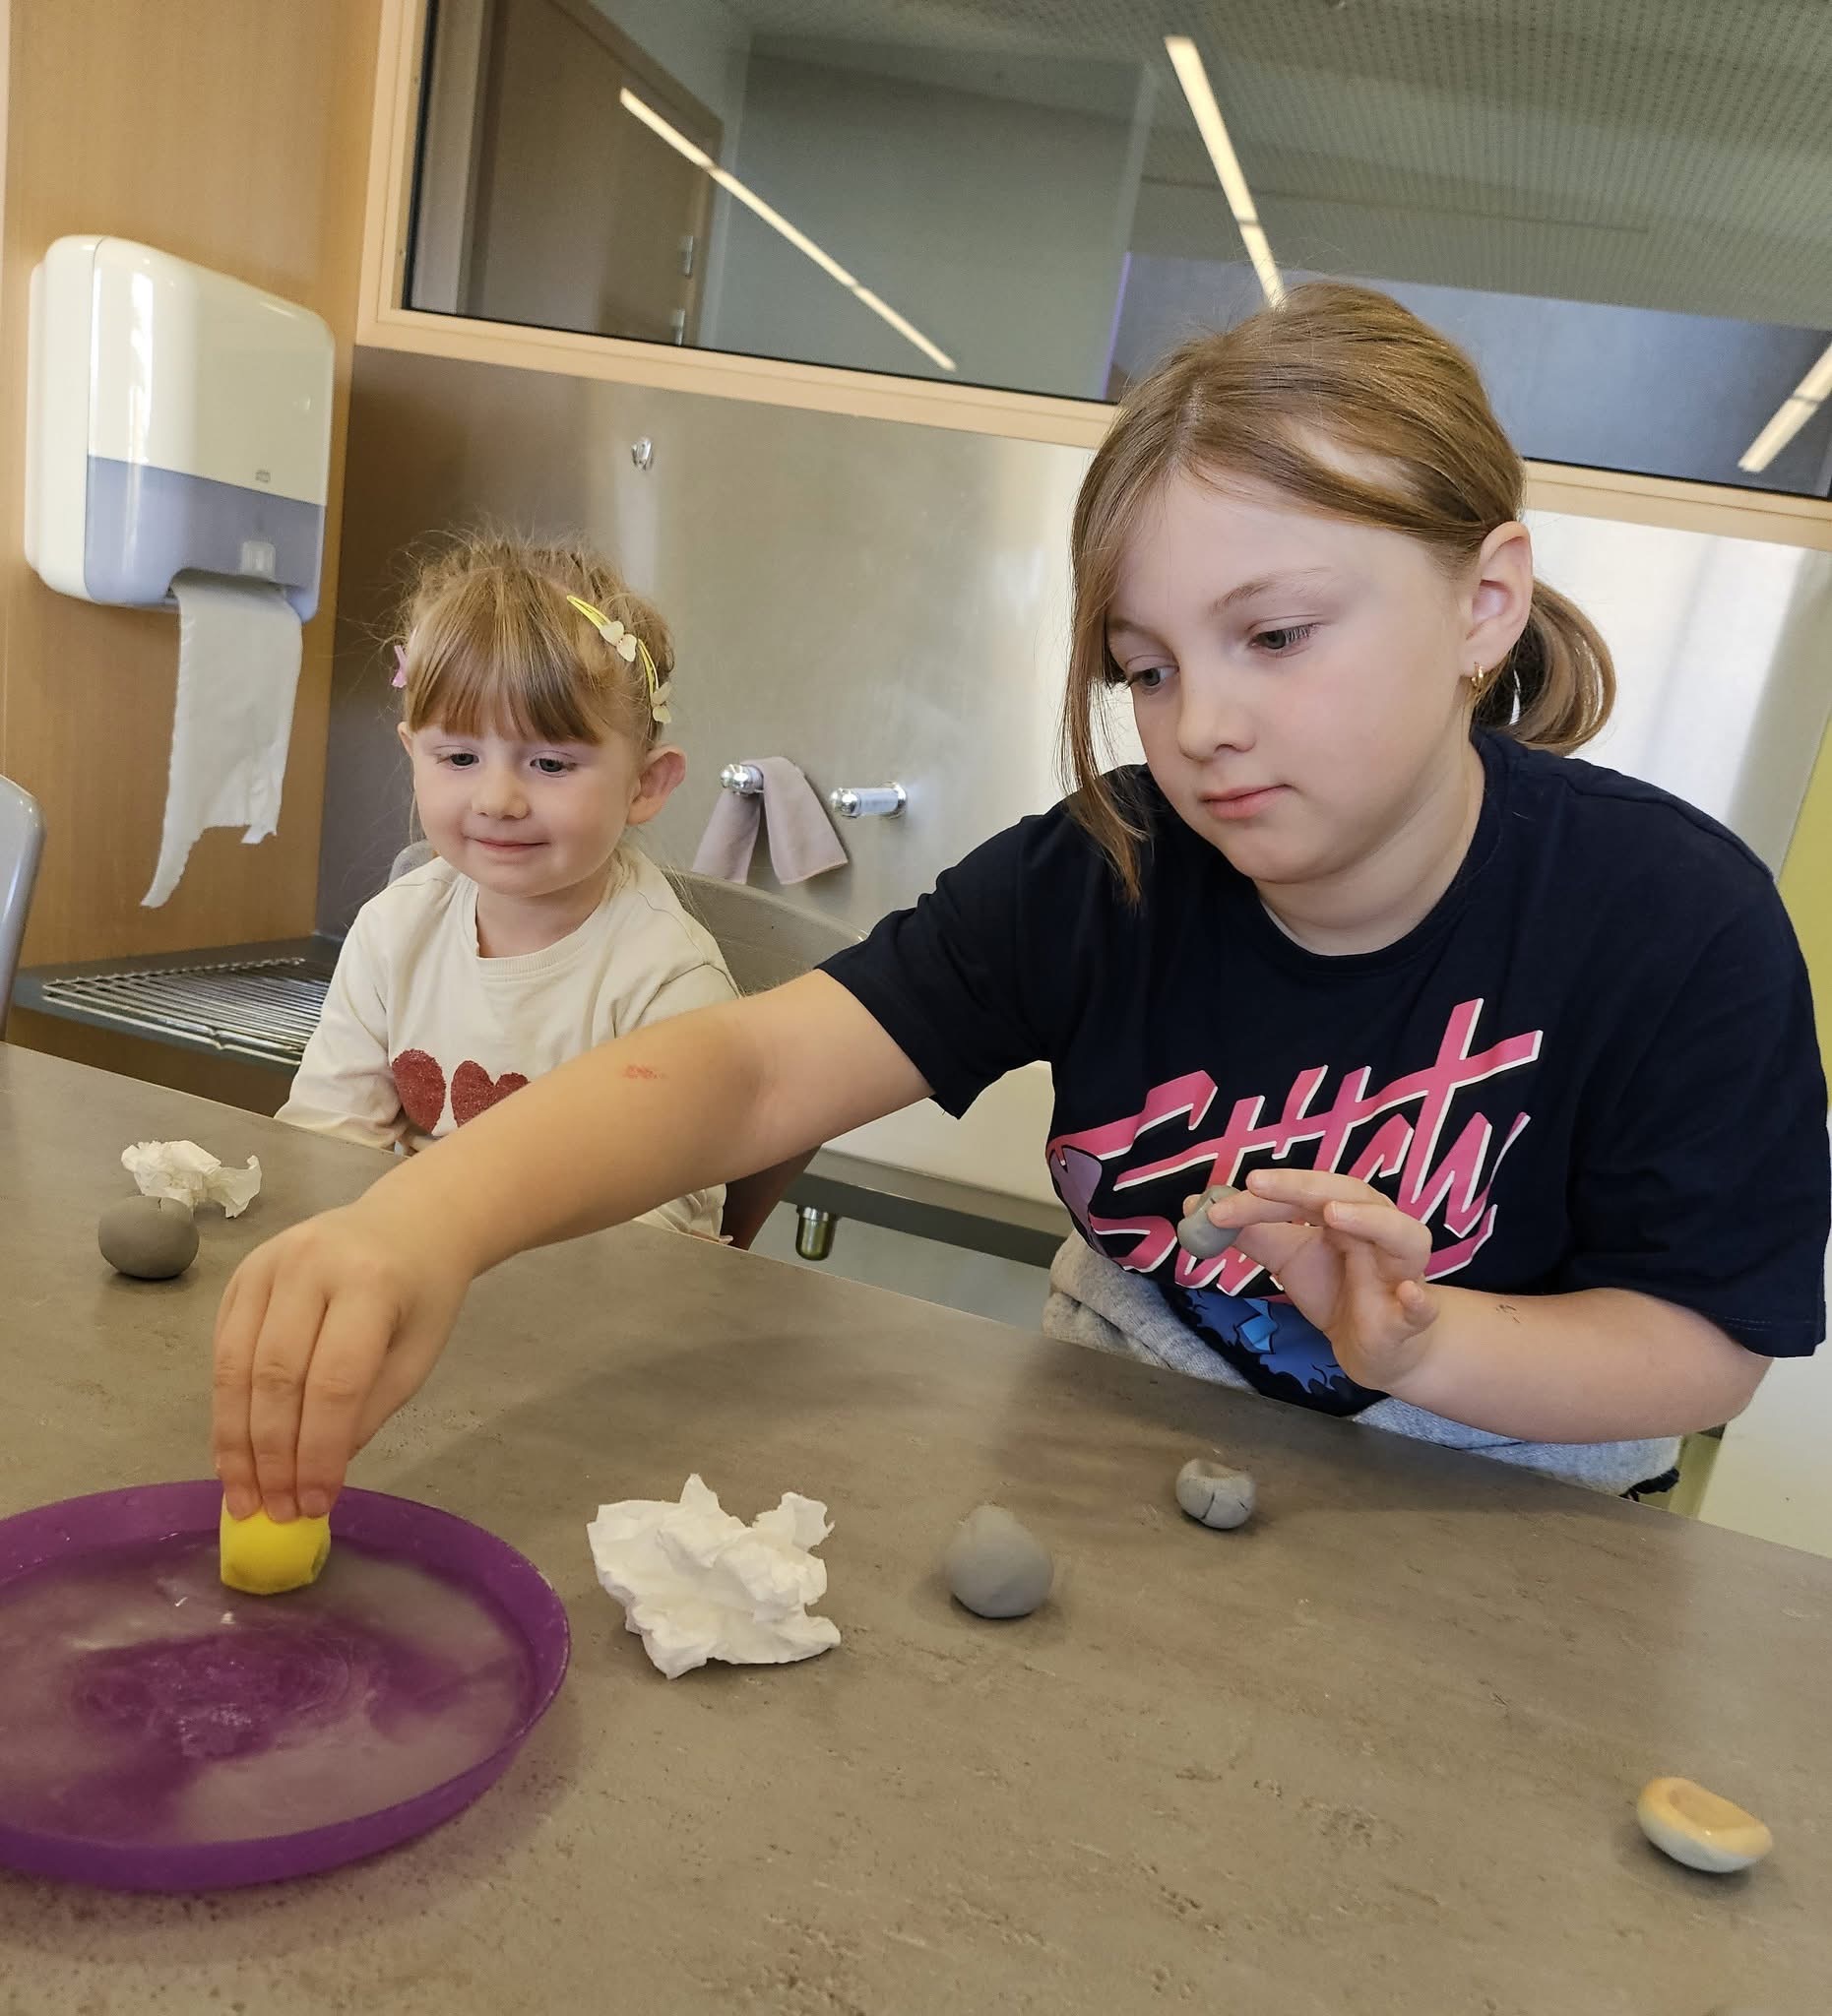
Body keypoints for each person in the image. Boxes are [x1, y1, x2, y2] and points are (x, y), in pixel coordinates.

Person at [216, 284, 1827, 1526]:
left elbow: (1704, 1344)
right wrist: (428, 1218)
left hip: (1498, 1512)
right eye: (1146, 667)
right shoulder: (1107, 866)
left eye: (1275, 635)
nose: (1201, 723)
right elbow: (757, 1069)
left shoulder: (1676, 926)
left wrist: (1423, 1346)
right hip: (1117, 1440)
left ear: (1484, 603)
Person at [277, 533, 733, 1240]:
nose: (497, 800)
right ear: (413, 754)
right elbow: (323, 1141)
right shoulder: (394, 929)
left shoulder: (666, 980)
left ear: (645, 785)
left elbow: (659, 1226)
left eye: (549, 765)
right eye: (459, 757)